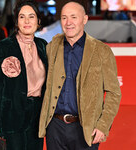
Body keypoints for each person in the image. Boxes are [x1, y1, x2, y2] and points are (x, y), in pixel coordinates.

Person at [39, 1, 121, 150]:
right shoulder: (52, 47)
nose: (68, 22)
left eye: (73, 17)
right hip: (55, 128)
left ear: (84, 19)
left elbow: (114, 93)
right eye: (64, 18)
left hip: (86, 128)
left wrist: (103, 125)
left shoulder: (102, 51)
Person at [0, 1, 48, 150]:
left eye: (31, 17)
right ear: (16, 21)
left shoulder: (44, 45)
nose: (27, 21)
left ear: (38, 21)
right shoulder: (3, 47)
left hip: (37, 119)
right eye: (22, 17)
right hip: (11, 117)